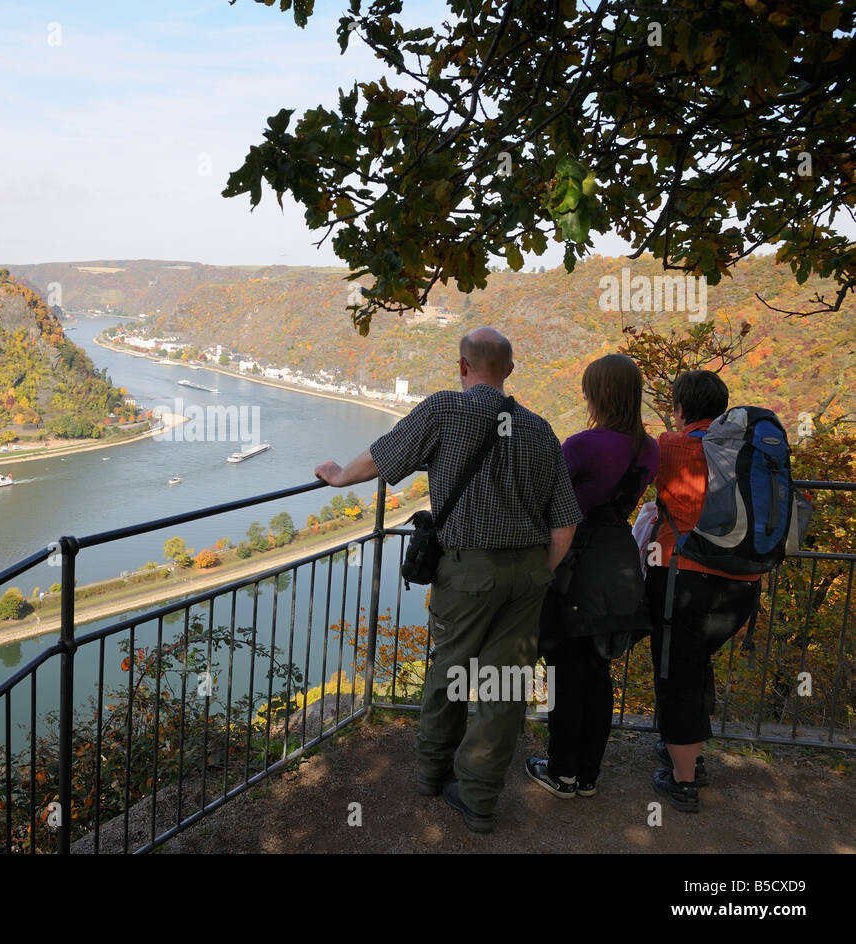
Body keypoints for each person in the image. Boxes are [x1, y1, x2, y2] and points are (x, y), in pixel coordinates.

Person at [314, 327, 580, 834]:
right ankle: (479, 800)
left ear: (463, 367)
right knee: (505, 686)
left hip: (468, 569)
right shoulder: (540, 429)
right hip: (527, 572)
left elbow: (381, 458)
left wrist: (336, 475)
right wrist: (540, 570)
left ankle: (432, 773)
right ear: (510, 371)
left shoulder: (445, 410)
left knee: (451, 671)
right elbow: (565, 519)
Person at [525, 354, 658, 799]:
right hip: (618, 563)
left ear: (598, 394)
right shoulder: (649, 448)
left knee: (564, 671)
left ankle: (561, 772)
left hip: (575, 564)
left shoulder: (582, 445)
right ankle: (587, 775)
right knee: (598, 672)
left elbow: (546, 499)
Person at [644, 370, 761, 813]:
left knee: (676, 673)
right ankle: (686, 749)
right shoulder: (745, 450)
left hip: (684, 580)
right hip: (743, 585)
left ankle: (684, 780)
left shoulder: (669, 446)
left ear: (679, 409)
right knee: (696, 665)